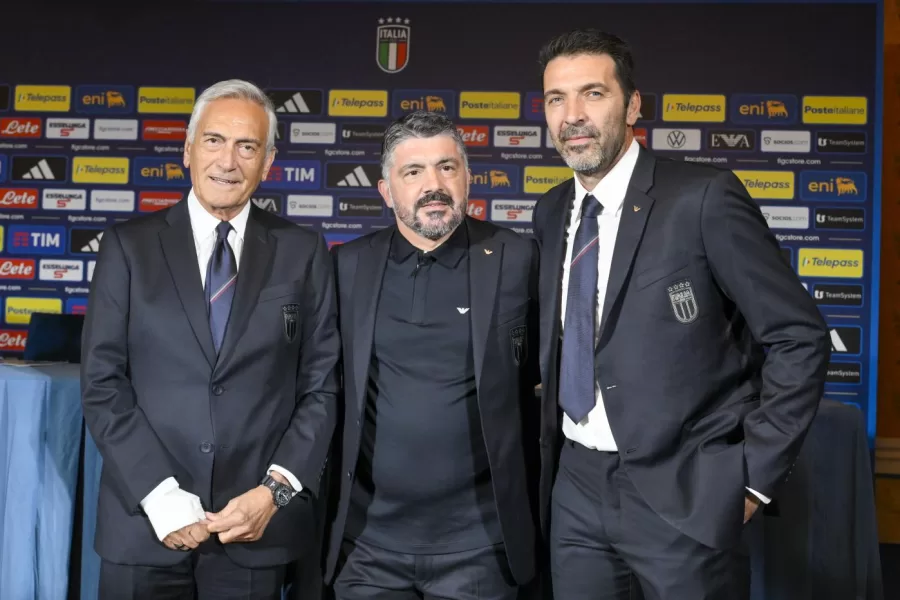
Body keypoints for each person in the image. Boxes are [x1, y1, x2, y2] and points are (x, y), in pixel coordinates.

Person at [532, 29, 830, 599]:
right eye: (555, 99)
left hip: (685, 491)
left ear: (633, 104)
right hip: (575, 490)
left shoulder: (703, 198)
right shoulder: (550, 213)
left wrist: (752, 482)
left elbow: (798, 336)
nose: (572, 115)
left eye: (592, 94)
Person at [80, 79, 340, 599]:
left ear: (268, 163)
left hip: (253, 530)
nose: (228, 161)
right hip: (144, 526)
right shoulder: (127, 247)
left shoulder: (303, 250)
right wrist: (160, 496)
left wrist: (274, 492)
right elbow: (103, 383)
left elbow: (322, 385)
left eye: (248, 146)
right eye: (214, 140)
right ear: (187, 150)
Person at [323, 110, 541, 600]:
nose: (433, 184)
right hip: (366, 548)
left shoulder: (518, 260)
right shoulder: (346, 267)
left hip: (480, 549)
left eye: (447, 167)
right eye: (413, 172)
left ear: (468, 178)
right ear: (386, 191)